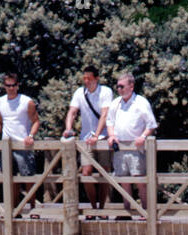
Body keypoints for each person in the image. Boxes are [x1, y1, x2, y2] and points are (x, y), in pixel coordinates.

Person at [105, 72, 157, 217]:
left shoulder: (141, 102)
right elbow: (109, 122)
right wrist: (112, 135)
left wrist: (143, 136)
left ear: (131, 86)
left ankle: (145, 212)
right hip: (119, 147)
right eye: (117, 86)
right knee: (123, 181)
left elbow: (151, 124)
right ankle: (127, 211)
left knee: (140, 180)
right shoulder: (115, 103)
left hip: (136, 147)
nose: (119, 89)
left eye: (122, 86)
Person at [0, 73, 40, 207]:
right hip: (6, 145)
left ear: (18, 85)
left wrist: (31, 136)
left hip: (23, 145)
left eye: (13, 85)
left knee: (28, 177)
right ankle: (13, 209)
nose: (11, 88)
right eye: (8, 85)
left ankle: (33, 208)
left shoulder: (27, 101)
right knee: (9, 178)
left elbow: (36, 121)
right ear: (4, 86)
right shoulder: (0, 102)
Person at [64, 66, 113, 212]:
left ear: (96, 78)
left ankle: (102, 208)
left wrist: (97, 135)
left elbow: (105, 114)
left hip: (103, 136)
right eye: (84, 78)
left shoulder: (105, 91)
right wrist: (68, 128)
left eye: (89, 79)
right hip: (86, 138)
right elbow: (72, 112)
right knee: (86, 172)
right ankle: (93, 207)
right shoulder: (80, 92)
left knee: (104, 171)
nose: (86, 81)